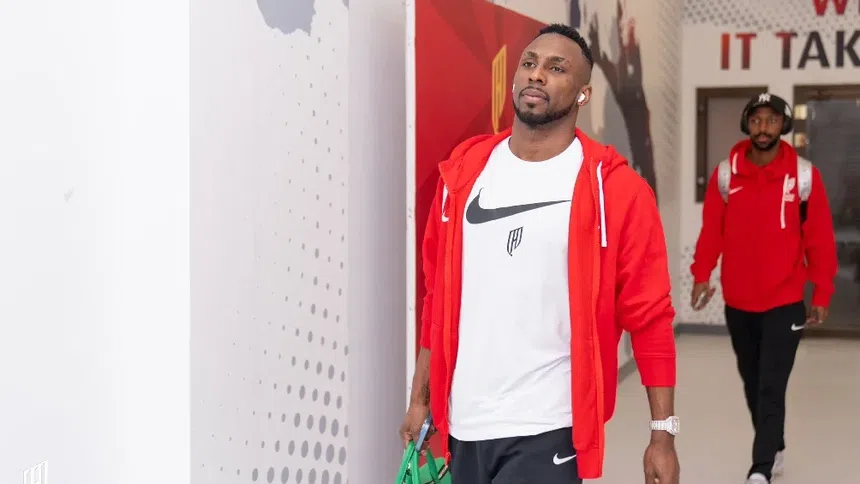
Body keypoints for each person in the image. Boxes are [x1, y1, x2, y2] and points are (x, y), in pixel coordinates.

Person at [400, 24, 680, 484]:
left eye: (556, 68)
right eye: (529, 63)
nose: (537, 74)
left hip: (549, 424)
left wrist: (662, 435)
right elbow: (438, 300)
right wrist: (420, 399)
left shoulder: (615, 190)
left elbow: (649, 317)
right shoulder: (463, 175)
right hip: (466, 422)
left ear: (584, 93)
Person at [690, 92, 838, 484]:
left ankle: (761, 468)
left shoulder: (803, 176)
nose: (763, 128)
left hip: (785, 301)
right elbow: (712, 231)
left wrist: (822, 291)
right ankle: (775, 446)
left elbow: (820, 239)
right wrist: (702, 274)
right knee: (753, 383)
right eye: (756, 120)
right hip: (738, 301)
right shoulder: (726, 175)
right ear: (747, 125)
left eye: (772, 120)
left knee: (772, 385)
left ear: (783, 125)